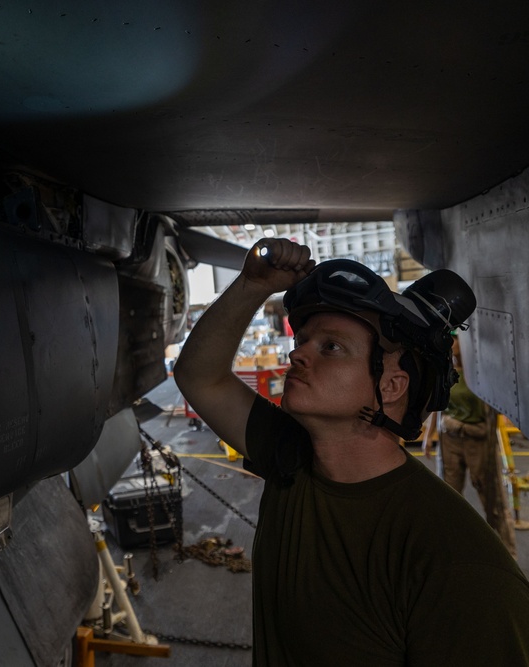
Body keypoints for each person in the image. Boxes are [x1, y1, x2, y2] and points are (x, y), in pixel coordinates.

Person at [174, 237, 529, 665]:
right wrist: (252, 285)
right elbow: (199, 376)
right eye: (303, 340)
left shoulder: (460, 569)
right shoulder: (291, 458)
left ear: (391, 386)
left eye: (331, 347)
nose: (297, 353)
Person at [423, 335, 518, 557]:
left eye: (454, 340)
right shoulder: (446, 371)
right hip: (450, 440)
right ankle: (450, 553)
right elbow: (439, 405)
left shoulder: (481, 375)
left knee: (493, 499)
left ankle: (508, 555)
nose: (450, 345)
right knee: (448, 497)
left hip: (478, 440)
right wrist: (429, 435)